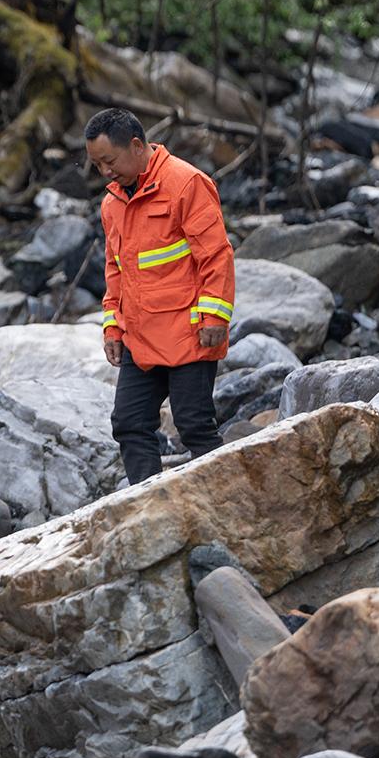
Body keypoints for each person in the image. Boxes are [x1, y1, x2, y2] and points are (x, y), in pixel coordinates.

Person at [86, 107, 234, 484]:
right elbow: (116, 271)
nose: (105, 172)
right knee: (129, 423)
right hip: (140, 337)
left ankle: (224, 499)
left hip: (190, 332)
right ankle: (146, 502)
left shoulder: (186, 184)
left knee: (194, 424)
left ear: (137, 146)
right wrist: (112, 327)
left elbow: (216, 255)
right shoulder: (112, 204)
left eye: (109, 161)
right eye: (97, 164)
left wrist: (215, 317)